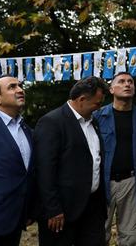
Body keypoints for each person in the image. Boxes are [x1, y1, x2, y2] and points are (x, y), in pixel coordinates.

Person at [35, 76, 108, 246]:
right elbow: (44, 170)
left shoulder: (93, 121)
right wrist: (53, 209)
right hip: (62, 212)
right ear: (82, 100)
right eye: (97, 103)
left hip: (92, 209)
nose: (99, 107)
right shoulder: (52, 122)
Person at [93, 72, 136, 246]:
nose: (127, 84)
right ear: (111, 89)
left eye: (130, 82)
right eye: (121, 81)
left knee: (130, 238)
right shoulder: (98, 116)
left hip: (131, 182)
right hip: (102, 183)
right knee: (99, 235)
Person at [0, 75, 35, 246]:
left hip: (17, 218)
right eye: (12, 87)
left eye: (20, 85)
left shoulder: (27, 130)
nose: (20, 90)